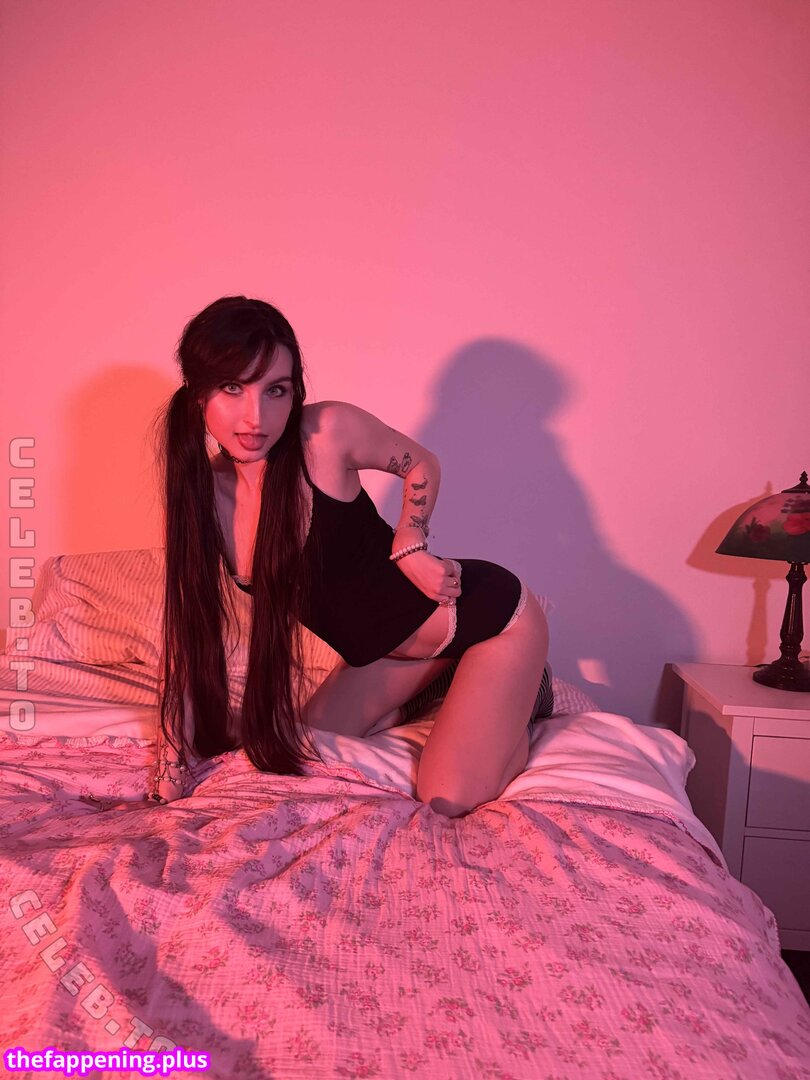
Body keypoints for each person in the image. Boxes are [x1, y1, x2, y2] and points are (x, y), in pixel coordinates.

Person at [103, 296, 551, 818]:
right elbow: (186, 633)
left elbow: (422, 462)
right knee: (299, 754)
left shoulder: (325, 435)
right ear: (198, 392)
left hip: (488, 618)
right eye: (232, 387)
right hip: (383, 654)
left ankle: (523, 701)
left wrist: (409, 543)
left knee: (446, 796)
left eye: (276, 390)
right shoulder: (202, 495)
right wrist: (170, 766)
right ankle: (444, 683)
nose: (256, 416)